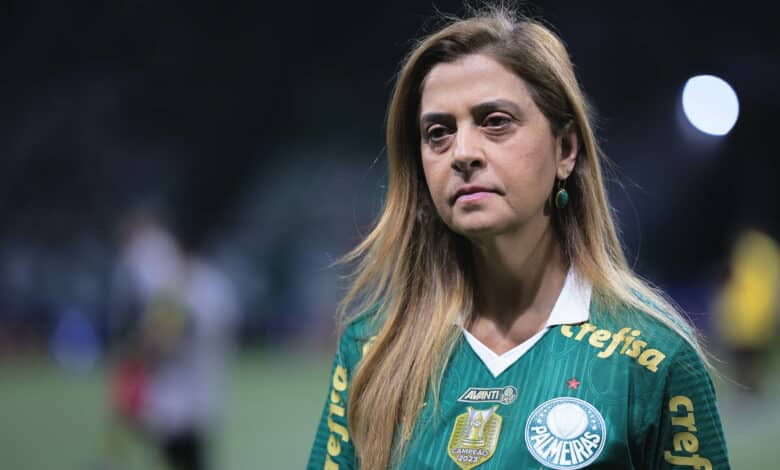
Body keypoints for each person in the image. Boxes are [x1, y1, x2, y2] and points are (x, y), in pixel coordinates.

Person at [308, 6, 729, 470]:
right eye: (438, 133)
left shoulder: (654, 357)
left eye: (495, 121)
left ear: (565, 149)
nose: (463, 153)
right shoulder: (372, 348)